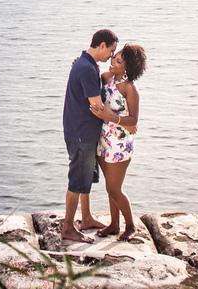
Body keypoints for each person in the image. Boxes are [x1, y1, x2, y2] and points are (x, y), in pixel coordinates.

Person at [61, 29, 118, 243]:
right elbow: (97, 107)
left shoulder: (88, 64)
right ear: (102, 45)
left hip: (82, 130)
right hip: (80, 133)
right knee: (77, 180)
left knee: (86, 178)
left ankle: (86, 218)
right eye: (111, 51)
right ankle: (68, 228)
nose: (111, 56)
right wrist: (125, 122)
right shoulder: (86, 68)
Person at [90, 43, 147, 241]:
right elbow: (89, 77)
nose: (113, 61)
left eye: (118, 61)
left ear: (128, 67)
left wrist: (111, 116)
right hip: (102, 139)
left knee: (114, 188)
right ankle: (114, 224)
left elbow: (134, 120)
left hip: (120, 144)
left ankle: (130, 226)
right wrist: (78, 65)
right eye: (114, 57)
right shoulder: (106, 78)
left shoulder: (130, 89)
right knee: (109, 186)